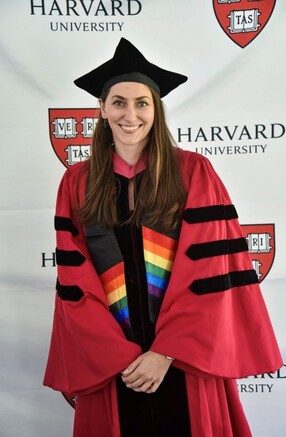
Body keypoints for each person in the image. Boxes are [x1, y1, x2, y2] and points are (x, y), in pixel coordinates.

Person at [43, 38, 283, 437]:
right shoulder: (78, 182)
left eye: (141, 103)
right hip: (114, 364)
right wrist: (118, 356)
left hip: (184, 359)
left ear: (156, 110)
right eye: (118, 102)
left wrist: (166, 353)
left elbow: (211, 272)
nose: (130, 114)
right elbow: (74, 281)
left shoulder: (192, 172)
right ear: (102, 110)